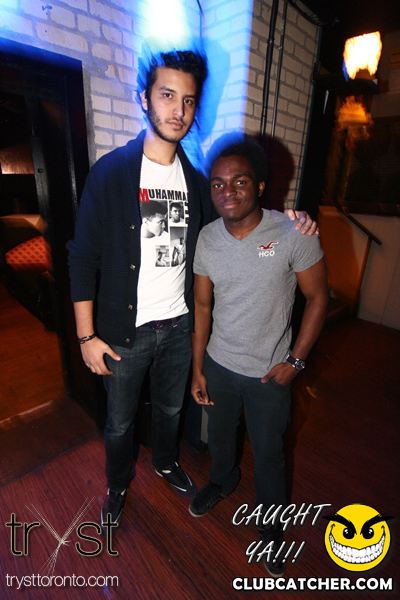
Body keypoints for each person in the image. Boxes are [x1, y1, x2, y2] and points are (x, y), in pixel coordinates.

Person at [68, 47, 317, 538]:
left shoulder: (200, 184)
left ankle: (165, 462)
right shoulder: (111, 174)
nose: (178, 110)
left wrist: (293, 220)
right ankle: (117, 485)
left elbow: (241, 218)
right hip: (123, 333)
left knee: (170, 409)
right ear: (144, 99)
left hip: (180, 327)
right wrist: (85, 336)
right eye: (167, 95)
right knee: (119, 423)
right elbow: (82, 256)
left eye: (187, 100)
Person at [189, 135, 329, 577]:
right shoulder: (207, 238)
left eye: (240, 181)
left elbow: (319, 298)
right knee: (221, 437)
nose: (227, 192)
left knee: (269, 455)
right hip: (219, 364)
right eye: (218, 183)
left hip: (270, 373)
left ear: (261, 185)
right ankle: (223, 480)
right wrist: (198, 367)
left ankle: (271, 528)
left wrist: (296, 362)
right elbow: (203, 306)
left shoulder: (292, 233)